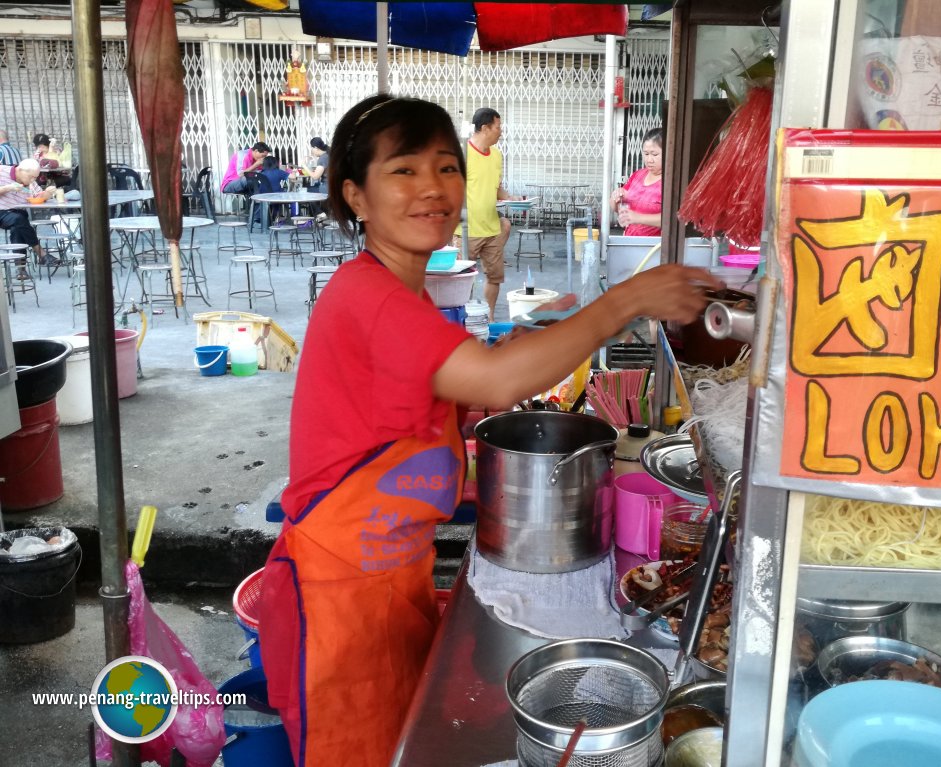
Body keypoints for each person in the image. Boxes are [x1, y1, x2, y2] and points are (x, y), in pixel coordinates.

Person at [258, 93, 720, 766]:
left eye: (447, 168)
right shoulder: (370, 296)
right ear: (355, 195)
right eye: (405, 171)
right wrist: (628, 299)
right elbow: (497, 381)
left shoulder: (403, 291)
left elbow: (438, 399)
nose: (434, 188)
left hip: (391, 583)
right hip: (338, 603)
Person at [454, 107, 517, 321]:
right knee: (463, 280)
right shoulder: (462, 154)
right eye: (498, 127)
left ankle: (488, 318)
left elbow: (496, 188)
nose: (501, 132)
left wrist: (513, 198)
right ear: (484, 128)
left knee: (495, 277)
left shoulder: (497, 156)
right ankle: (464, 318)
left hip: (491, 228)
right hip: (466, 230)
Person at [0, 158, 59, 266]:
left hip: (18, 214)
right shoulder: (2, 171)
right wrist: (7, 188)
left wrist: (47, 194)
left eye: (35, 178)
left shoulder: (31, 183)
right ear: (21, 170)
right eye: (31, 177)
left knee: (17, 226)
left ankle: (21, 269)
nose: (33, 180)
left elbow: (39, 196)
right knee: (19, 220)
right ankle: (41, 253)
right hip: (2, 211)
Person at [610, 127, 664, 236]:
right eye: (646, 154)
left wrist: (637, 217)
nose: (649, 160)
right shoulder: (638, 175)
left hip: (655, 247)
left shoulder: (671, 182)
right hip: (630, 241)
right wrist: (616, 198)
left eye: (654, 154)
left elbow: (674, 219)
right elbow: (620, 209)